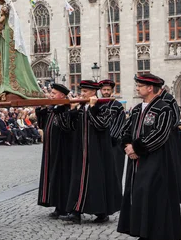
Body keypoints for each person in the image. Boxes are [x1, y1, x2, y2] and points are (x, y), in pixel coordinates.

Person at [118, 73, 181, 240]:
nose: (137, 88)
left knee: (152, 194)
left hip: (155, 159)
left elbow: (160, 134)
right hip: (136, 160)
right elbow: (127, 128)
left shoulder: (163, 109)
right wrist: (127, 145)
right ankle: (140, 233)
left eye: (140, 86)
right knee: (137, 193)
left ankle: (154, 237)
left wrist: (137, 148)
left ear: (150, 88)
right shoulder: (138, 109)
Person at [63, 80, 121, 224]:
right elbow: (69, 127)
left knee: (97, 179)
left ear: (93, 93)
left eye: (85, 92)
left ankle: (101, 212)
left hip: (97, 150)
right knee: (78, 179)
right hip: (80, 150)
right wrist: (71, 111)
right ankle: (75, 211)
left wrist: (94, 109)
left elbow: (103, 125)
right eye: (81, 91)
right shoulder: (81, 107)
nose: (82, 94)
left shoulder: (103, 107)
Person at [0, 0, 44, 100]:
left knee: (8, 62)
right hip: (1, 36)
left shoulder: (5, 9)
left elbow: (3, 21)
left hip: (5, 35)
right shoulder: (3, 9)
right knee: (0, 63)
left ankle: (8, 86)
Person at [36, 83, 75, 219]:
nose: (50, 95)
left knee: (62, 177)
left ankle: (63, 207)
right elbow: (42, 125)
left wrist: (60, 112)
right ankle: (56, 204)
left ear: (62, 96)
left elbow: (67, 127)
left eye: (53, 94)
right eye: (51, 93)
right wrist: (41, 109)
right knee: (53, 176)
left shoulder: (65, 109)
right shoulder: (53, 109)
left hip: (63, 149)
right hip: (50, 149)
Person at [159, 89, 181, 204]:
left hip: (169, 138)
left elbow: (176, 119)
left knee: (172, 166)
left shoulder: (169, 99)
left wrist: (164, 130)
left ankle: (175, 195)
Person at [99, 79, 126, 188]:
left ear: (112, 91)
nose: (106, 92)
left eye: (108, 90)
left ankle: (117, 199)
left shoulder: (117, 105)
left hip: (114, 144)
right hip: (100, 143)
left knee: (115, 172)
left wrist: (111, 137)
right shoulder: (97, 105)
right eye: (104, 89)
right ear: (100, 90)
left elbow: (120, 123)